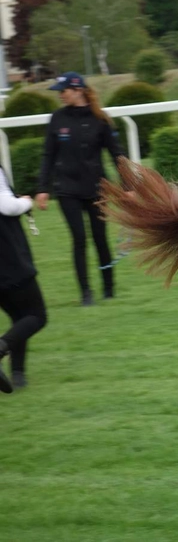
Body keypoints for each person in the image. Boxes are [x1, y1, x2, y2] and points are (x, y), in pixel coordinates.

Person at [34, 72, 127, 305]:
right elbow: (48, 155)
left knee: (100, 239)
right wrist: (42, 188)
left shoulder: (100, 120)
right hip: (67, 190)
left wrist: (128, 186)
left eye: (63, 91)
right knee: (79, 239)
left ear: (78, 90)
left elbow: (117, 155)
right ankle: (86, 293)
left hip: (97, 189)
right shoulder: (57, 119)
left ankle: (109, 288)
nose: (60, 96)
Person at [0, 166, 47, 392]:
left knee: (19, 317)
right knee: (36, 315)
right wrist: (26, 203)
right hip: (7, 257)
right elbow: (7, 206)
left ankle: (18, 374)